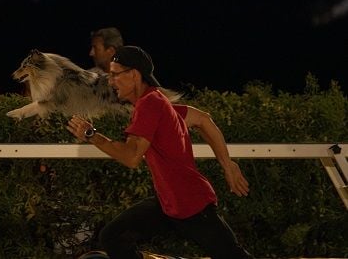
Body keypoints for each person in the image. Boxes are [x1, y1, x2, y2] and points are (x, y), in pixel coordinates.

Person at [67, 46, 254, 259]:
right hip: (168, 202)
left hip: (190, 203)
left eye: (115, 74)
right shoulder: (157, 101)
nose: (110, 81)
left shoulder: (150, 104)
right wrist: (227, 164)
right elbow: (203, 119)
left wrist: (93, 136)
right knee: (112, 236)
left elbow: (131, 157)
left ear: (134, 74)